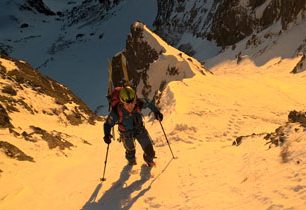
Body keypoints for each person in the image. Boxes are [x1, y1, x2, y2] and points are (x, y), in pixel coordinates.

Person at [103, 86, 163, 167]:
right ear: (122, 102)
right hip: (126, 134)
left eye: (133, 102)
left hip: (139, 129)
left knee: (150, 152)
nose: (131, 106)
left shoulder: (139, 103)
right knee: (130, 151)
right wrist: (107, 134)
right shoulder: (117, 112)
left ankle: (148, 159)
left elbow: (149, 104)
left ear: (135, 100)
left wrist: (157, 112)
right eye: (127, 104)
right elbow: (108, 124)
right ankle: (131, 161)